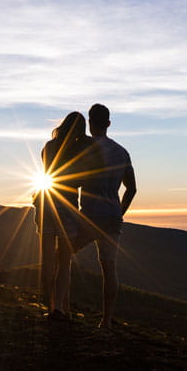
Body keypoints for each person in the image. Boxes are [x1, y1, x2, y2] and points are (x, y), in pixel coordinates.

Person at [78, 103, 136, 329]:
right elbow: (131, 189)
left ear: (90, 123)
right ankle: (106, 320)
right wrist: (119, 213)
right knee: (109, 269)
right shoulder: (122, 152)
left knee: (63, 252)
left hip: (90, 215)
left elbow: (78, 179)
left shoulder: (87, 148)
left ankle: (58, 305)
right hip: (112, 217)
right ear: (109, 124)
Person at [36, 111, 92, 318]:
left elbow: (47, 173)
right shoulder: (79, 150)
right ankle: (59, 307)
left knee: (48, 260)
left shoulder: (48, 147)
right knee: (64, 260)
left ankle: (50, 305)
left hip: (46, 202)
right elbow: (80, 180)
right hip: (67, 206)